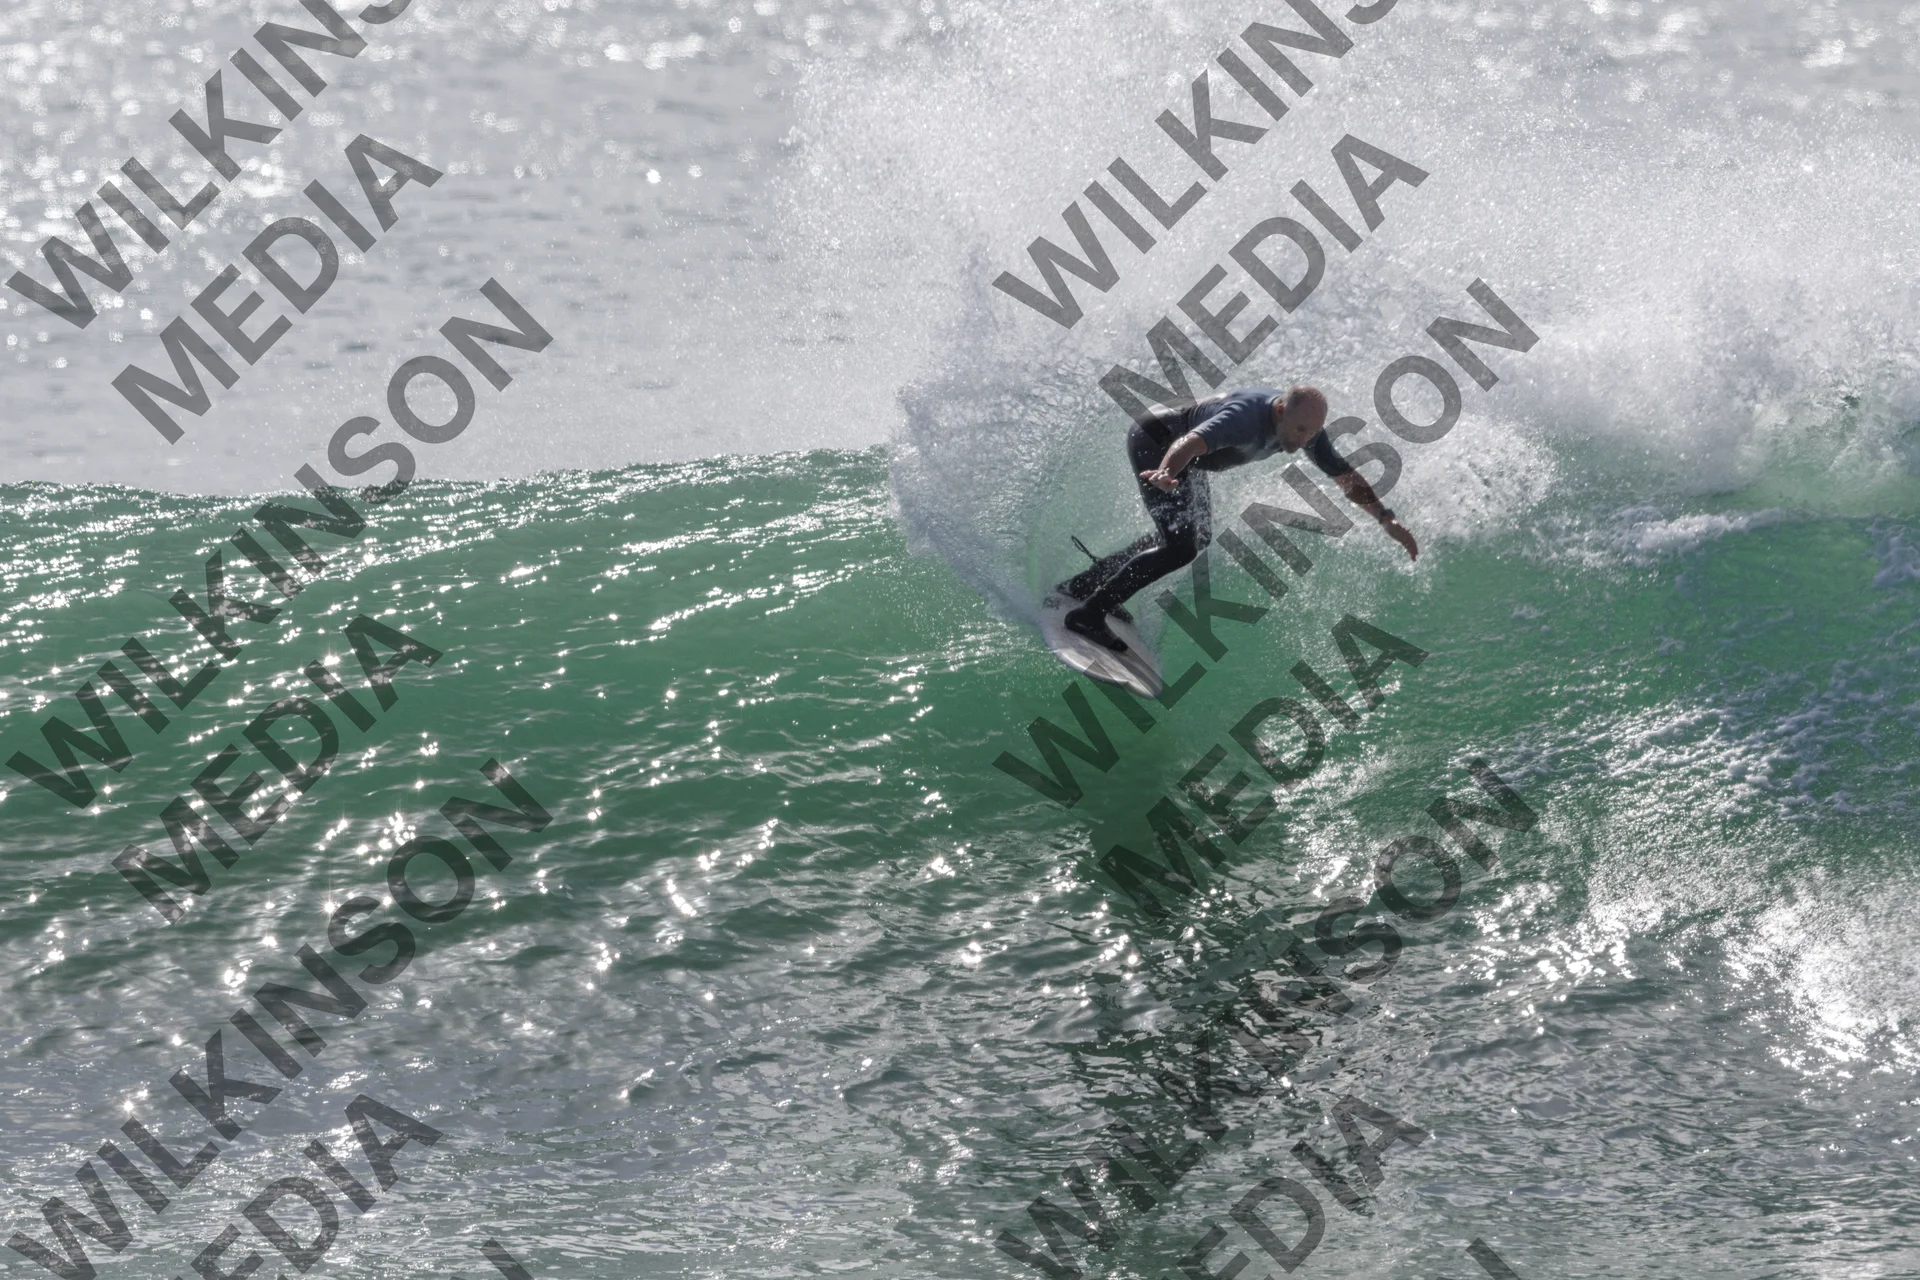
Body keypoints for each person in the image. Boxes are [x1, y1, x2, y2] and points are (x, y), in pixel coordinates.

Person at [1057, 385, 1418, 652]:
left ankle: (1086, 584)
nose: (1304, 440)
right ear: (1280, 410)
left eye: (1311, 433)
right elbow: (1190, 443)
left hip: (1186, 458)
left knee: (1194, 537)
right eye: (1299, 431)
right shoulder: (1244, 419)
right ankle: (1089, 615)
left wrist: (1385, 518)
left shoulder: (1305, 426)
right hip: (1158, 441)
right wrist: (1166, 473)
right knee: (1181, 547)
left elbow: (1344, 475)